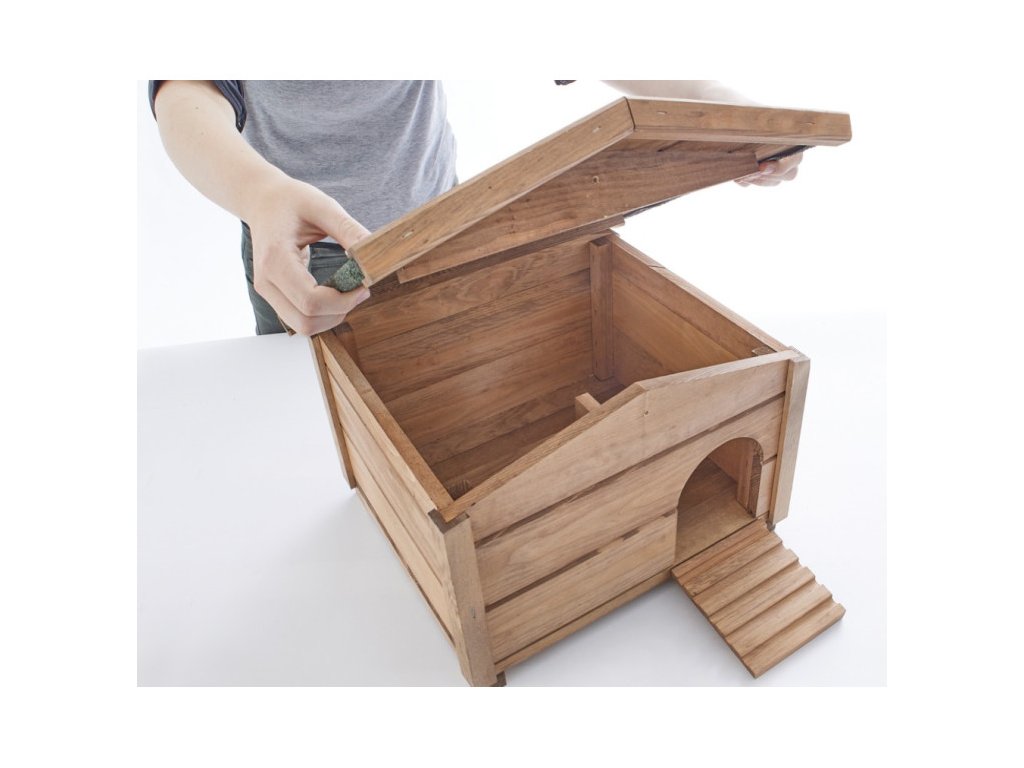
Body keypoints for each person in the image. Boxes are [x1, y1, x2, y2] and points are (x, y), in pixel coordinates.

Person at [150, 80, 802, 336]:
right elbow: (184, 94)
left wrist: (726, 109)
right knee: (307, 425)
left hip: (439, 228)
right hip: (296, 254)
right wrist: (261, 196)